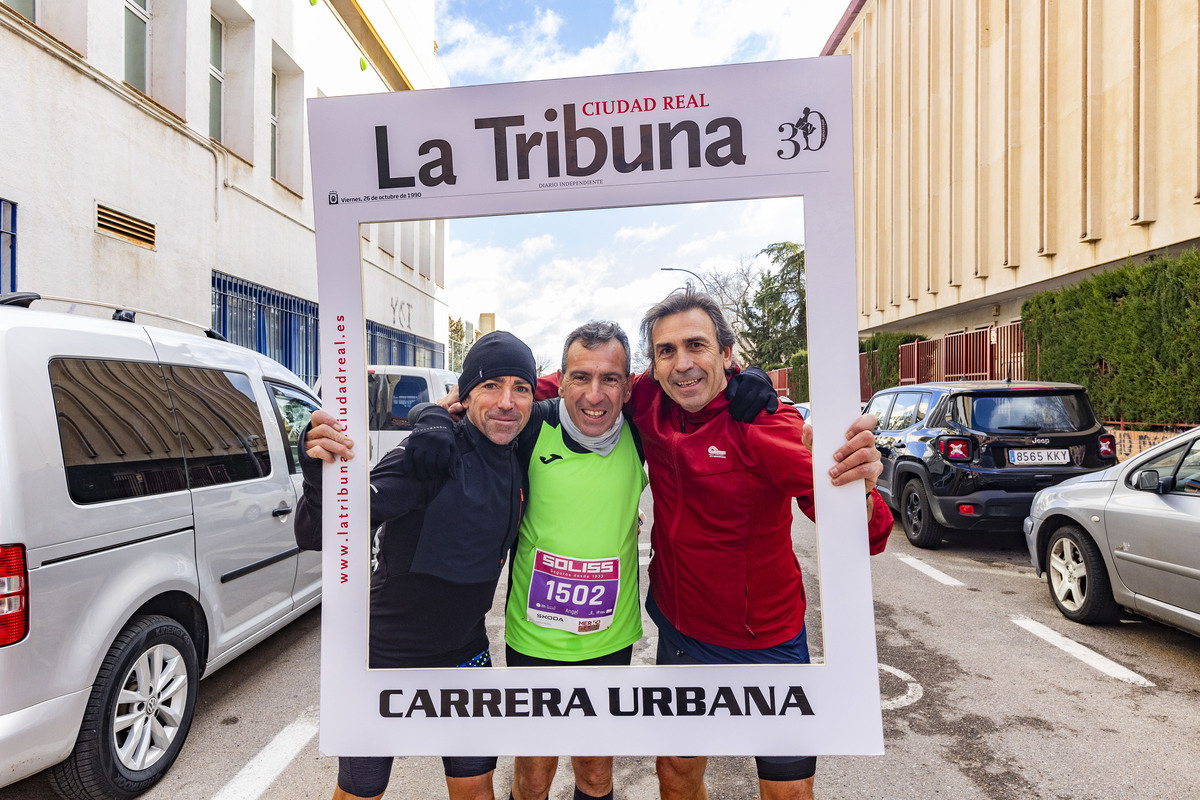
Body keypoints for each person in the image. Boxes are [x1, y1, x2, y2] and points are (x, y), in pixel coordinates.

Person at [630, 287, 893, 800]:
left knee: (787, 794)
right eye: (667, 351)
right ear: (655, 366)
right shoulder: (648, 401)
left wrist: (859, 486)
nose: (682, 364)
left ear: (727, 354)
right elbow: (576, 380)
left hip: (765, 643)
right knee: (677, 777)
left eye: (697, 346)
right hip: (681, 631)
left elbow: (864, 532)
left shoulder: (764, 423)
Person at [294, 330, 538, 800]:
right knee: (360, 792)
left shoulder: (518, 451)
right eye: (491, 386)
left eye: (520, 388)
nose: (507, 402)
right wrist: (316, 470)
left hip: (465, 654)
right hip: (386, 657)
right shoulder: (431, 454)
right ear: (465, 397)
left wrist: (429, 410)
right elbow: (318, 532)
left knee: (475, 789)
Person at [505, 321, 646, 800]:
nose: (594, 394)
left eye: (610, 379)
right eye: (581, 377)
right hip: (534, 638)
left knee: (594, 770)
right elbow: (474, 421)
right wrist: (434, 413)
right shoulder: (532, 426)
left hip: (608, 639)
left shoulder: (643, 434)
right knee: (534, 772)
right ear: (561, 380)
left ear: (628, 386)